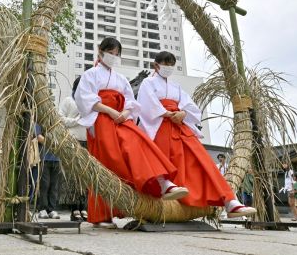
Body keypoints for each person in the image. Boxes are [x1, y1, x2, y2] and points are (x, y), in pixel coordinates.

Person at [75, 38, 188, 229]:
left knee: (140, 141)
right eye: (110, 52)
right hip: (102, 118)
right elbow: (84, 98)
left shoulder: (120, 79)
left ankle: (161, 181)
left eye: (117, 53)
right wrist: (110, 111)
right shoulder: (90, 74)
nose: (114, 56)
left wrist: (125, 113)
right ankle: (103, 215)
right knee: (109, 162)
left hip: (121, 118)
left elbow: (130, 101)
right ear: (100, 51)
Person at [137, 51, 256, 218]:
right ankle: (166, 186)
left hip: (180, 125)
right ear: (156, 65)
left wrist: (183, 114)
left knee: (203, 161)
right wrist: (168, 114)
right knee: (162, 159)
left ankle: (230, 201)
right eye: (165, 64)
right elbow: (147, 104)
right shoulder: (147, 83)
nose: (168, 68)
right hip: (160, 124)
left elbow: (190, 106)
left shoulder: (176, 87)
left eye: (171, 65)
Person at [59, 76, 88, 221]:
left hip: (86, 141)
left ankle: (83, 206)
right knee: (72, 175)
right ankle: (74, 208)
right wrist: (76, 120)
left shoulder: (89, 103)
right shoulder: (68, 101)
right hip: (73, 140)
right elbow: (59, 119)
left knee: (84, 176)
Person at [36, 124, 62, 219]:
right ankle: (42, 209)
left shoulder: (57, 122)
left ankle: (51, 209)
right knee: (44, 184)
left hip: (56, 158)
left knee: (54, 185)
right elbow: (38, 137)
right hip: (44, 158)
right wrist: (52, 142)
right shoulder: (40, 122)